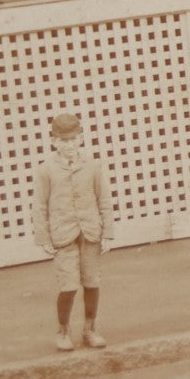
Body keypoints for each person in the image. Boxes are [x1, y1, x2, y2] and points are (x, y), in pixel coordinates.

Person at [31, 113, 114, 352]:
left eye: (73, 139)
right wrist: (43, 238)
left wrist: (107, 232)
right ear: (54, 141)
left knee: (91, 282)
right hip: (63, 235)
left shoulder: (92, 165)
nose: (69, 145)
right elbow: (39, 206)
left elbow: (104, 199)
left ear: (81, 138)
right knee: (68, 285)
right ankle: (63, 330)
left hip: (90, 232)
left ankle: (90, 329)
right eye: (63, 140)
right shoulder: (46, 170)